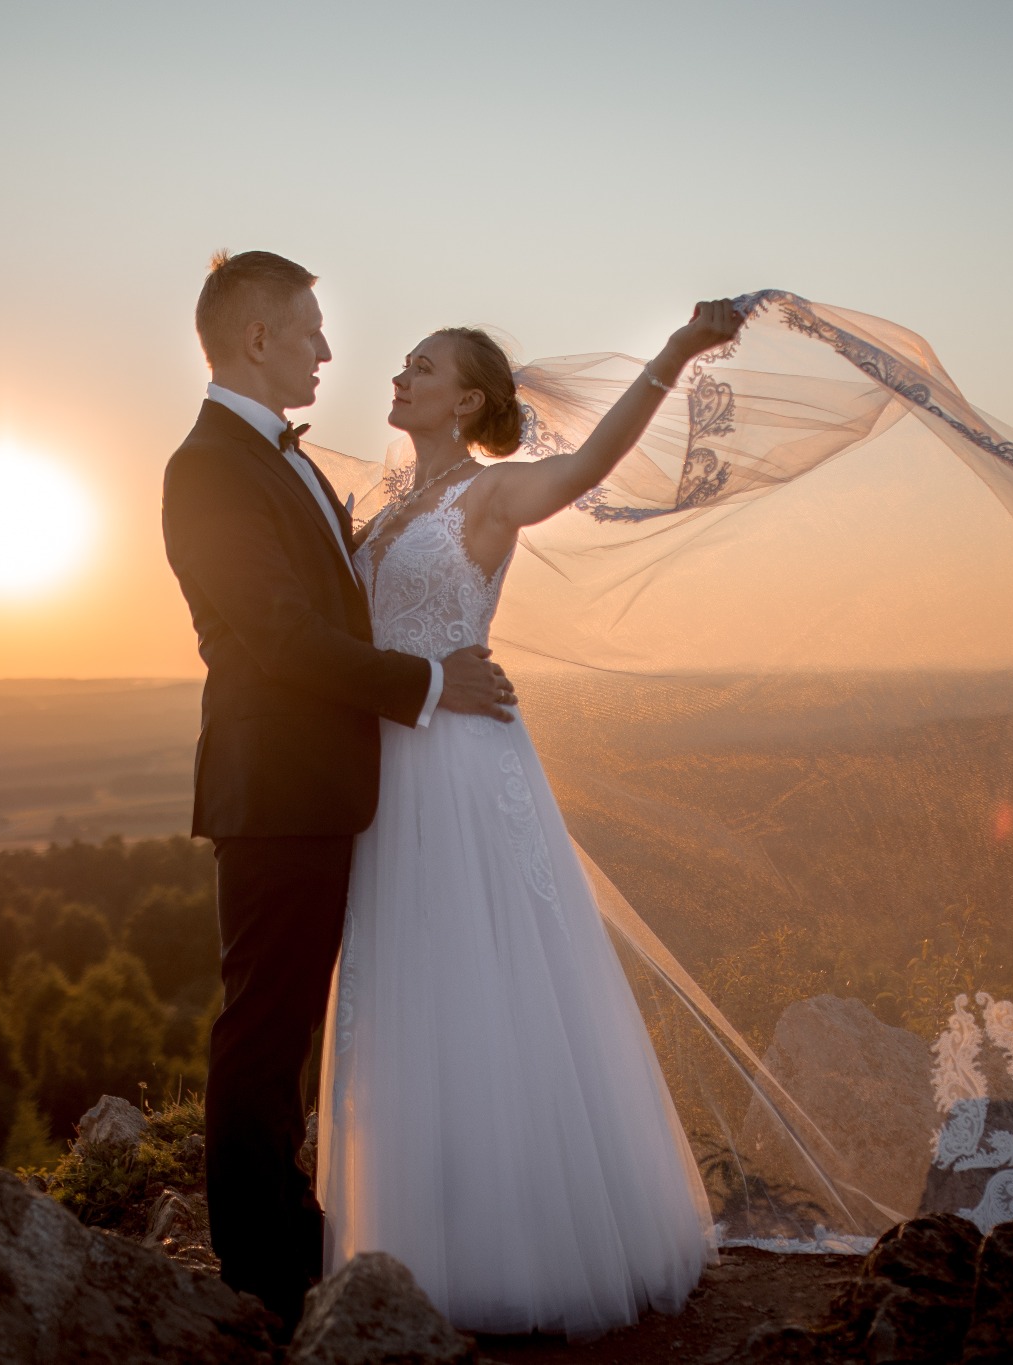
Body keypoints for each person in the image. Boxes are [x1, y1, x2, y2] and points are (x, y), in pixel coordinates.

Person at [316, 301, 743, 1337]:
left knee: (486, 976)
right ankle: (419, 1231)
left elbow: (590, 463)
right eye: (404, 364)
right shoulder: (379, 504)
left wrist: (678, 350)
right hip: (390, 766)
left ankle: (523, 1244)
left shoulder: (492, 492)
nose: (400, 376)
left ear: (467, 398)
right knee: (409, 986)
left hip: (462, 767)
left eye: (423, 367)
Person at [159, 250, 516, 1329]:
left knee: (292, 1029)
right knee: (263, 1031)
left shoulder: (286, 463)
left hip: (322, 789)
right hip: (274, 789)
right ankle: (261, 1280)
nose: (326, 348)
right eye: (310, 327)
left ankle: (295, 1236)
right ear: (258, 337)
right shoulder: (210, 465)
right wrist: (426, 681)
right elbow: (275, 636)